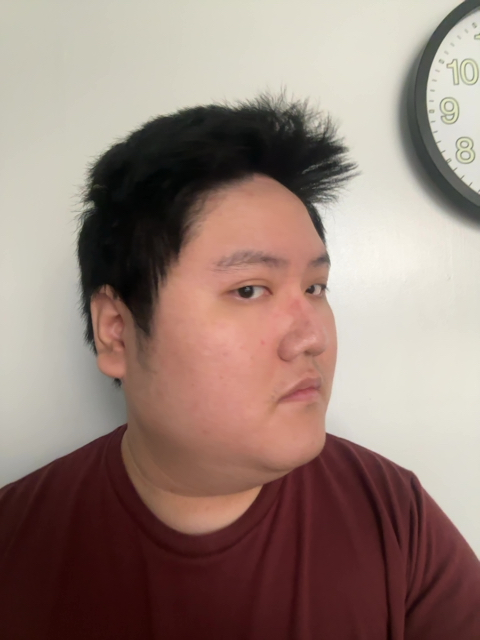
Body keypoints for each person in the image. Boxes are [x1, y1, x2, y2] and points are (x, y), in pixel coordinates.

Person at [0, 93, 479, 640]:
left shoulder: (393, 514)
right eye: (249, 289)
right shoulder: (18, 547)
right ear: (117, 330)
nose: (314, 337)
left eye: (315, 288)